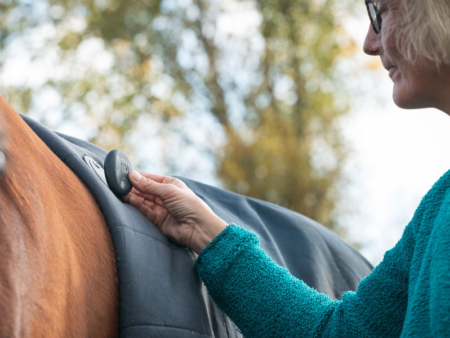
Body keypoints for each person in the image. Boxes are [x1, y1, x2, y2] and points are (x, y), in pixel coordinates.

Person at [124, 0, 450, 336]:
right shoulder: (438, 206)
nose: (369, 43)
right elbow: (340, 332)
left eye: (380, 13)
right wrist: (206, 234)